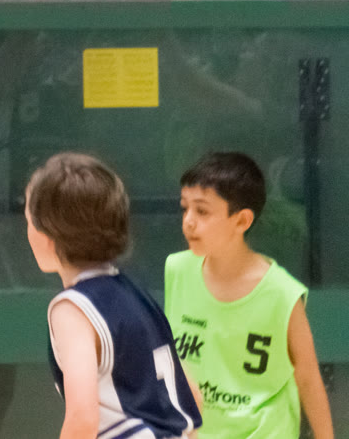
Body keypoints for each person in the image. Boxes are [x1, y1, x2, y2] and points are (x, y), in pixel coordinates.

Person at [24, 152, 201, 439]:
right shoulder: (137, 297)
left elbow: (82, 418)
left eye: (29, 222)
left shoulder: (71, 310)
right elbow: (192, 396)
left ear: (47, 236)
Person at [165, 152, 331, 439]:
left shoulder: (282, 293)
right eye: (185, 208)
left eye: (202, 211)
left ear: (242, 221)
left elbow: (308, 377)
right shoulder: (177, 269)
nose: (188, 221)